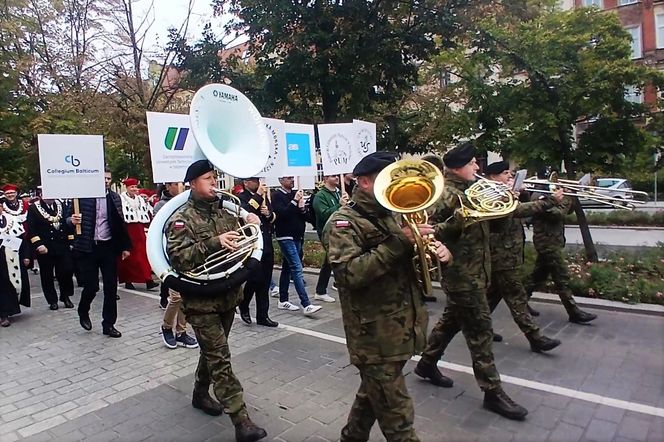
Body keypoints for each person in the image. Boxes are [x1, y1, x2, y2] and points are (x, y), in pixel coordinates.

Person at [323, 152, 452, 442]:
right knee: (399, 419)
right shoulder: (343, 222)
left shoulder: (396, 214)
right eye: (388, 179)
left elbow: (415, 260)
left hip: (401, 327)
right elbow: (350, 274)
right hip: (372, 335)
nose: (396, 184)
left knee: (372, 396)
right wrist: (400, 242)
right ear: (365, 182)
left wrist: (441, 254)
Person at [414, 142, 528, 421]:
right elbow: (427, 232)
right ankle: (492, 391)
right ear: (457, 167)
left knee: (451, 321)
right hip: (462, 275)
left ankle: (426, 364)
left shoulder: (473, 191)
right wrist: (458, 220)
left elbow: (494, 227)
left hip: (478, 272)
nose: (478, 167)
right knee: (481, 332)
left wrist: (506, 205)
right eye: (473, 163)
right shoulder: (444, 195)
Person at [166, 160, 267, 442]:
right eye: (209, 179)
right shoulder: (181, 218)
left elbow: (244, 241)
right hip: (200, 302)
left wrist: (251, 220)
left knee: (212, 353)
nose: (214, 183)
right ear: (192, 183)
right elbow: (179, 259)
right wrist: (214, 242)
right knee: (220, 358)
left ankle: (199, 394)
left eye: (214, 178)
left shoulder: (225, 211)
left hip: (227, 296)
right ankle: (241, 420)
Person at [483, 161, 562, 352]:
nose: (510, 177)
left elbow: (521, 211)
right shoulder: (488, 193)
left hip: (509, 252)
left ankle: (481, 328)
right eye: (505, 174)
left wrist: (522, 193)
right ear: (493, 176)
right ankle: (536, 338)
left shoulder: (505, 191)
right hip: (500, 254)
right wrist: (549, 201)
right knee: (516, 297)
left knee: (492, 295)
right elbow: (516, 211)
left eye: (511, 174)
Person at [67, 169, 132, 338]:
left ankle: (108, 324)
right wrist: (71, 221)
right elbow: (66, 220)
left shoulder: (114, 198)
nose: (106, 181)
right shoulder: (81, 197)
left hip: (108, 246)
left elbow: (120, 223)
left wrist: (125, 246)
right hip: (88, 247)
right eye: (103, 178)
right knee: (92, 286)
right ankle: (83, 310)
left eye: (109, 178)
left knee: (111, 287)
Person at [526, 174, 597, 324]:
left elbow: (568, 211)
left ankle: (521, 303)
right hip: (546, 243)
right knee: (561, 277)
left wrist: (572, 195)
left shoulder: (553, 194)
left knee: (537, 277)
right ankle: (574, 312)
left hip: (554, 241)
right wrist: (564, 198)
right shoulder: (539, 197)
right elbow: (557, 214)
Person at [272, 176, 322, 317]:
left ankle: (283, 300)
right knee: (296, 267)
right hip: (285, 236)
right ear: (281, 180)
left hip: (297, 236)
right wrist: (294, 202)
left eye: (292, 177)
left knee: (287, 269)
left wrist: (302, 208)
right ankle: (306, 304)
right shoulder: (277, 196)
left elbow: (308, 218)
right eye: (288, 178)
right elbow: (282, 215)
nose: (292, 180)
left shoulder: (296, 194)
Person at [237, 177, 279, 327]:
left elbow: (273, 217)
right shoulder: (241, 197)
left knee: (266, 280)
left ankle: (263, 315)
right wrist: (259, 196)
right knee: (255, 278)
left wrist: (268, 214)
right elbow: (246, 213)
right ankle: (243, 303)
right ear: (246, 182)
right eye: (255, 180)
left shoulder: (264, 197)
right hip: (252, 244)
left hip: (266, 241)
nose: (258, 183)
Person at [26, 196, 75, 310]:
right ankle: (52, 300)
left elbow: (65, 224)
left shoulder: (60, 205)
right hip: (45, 247)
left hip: (62, 245)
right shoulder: (34, 208)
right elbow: (31, 229)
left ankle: (65, 296)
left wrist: (71, 240)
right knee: (47, 275)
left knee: (66, 271)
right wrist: (38, 244)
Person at [313, 175, 348, 303]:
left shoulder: (339, 193)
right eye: (333, 176)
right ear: (326, 178)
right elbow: (323, 215)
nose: (337, 178)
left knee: (331, 260)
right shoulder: (320, 196)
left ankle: (322, 290)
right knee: (332, 259)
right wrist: (339, 206)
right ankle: (321, 291)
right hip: (327, 233)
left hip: (340, 230)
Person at [118, 178, 158, 291]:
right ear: (127, 188)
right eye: (132, 187)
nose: (134, 189)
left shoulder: (140, 199)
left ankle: (148, 280)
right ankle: (128, 280)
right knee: (129, 256)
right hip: (128, 229)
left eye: (136, 187)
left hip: (139, 229)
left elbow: (146, 213)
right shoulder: (121, 199)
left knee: (143, 255)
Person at [0, 200, 31, 327]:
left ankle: (9, 309)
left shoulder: (11, 219)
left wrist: (26, 256)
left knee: (9, 284)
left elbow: (22, 239)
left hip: (12, 257)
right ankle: (3, 315)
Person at [155, 182, 182, 309]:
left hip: (183, 242)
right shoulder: (160, 205)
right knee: (167, 271)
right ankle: (164, 296)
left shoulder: (185, 201)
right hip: (168, 242)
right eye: (176, 184)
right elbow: (158, 225)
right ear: (168, 186)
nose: (180, 187)